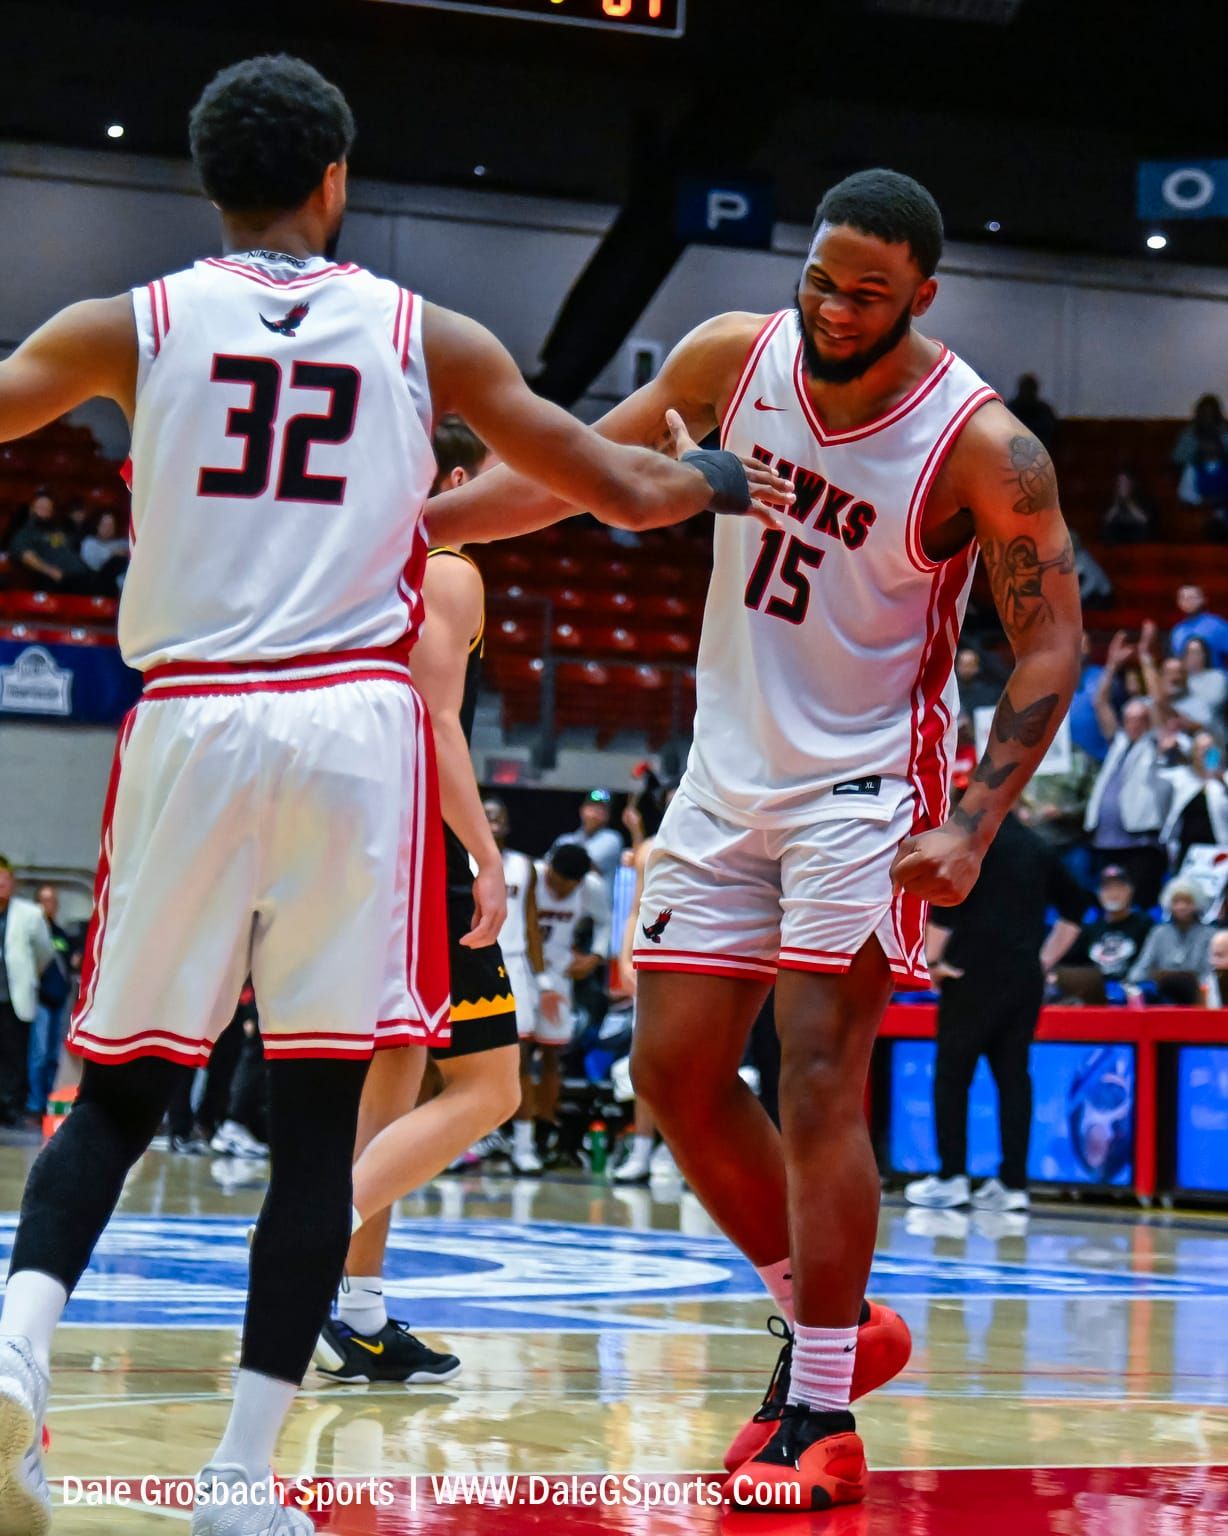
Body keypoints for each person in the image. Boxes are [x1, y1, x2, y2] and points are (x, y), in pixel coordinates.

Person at [0, 54, 783, 1536]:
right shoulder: (430, 336)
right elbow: (612, 491)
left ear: (205, 181)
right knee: (316, 1128)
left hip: (191, 719)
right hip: (356, 736)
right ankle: (241, 1482)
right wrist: (714, 484)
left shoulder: (133, 323)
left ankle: (16, 1355)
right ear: (336, 179)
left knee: (114, 1094)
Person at [430, 167, 1082, 1510]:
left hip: (864, 784)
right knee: (669, 1071)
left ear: (924, 297)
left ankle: (824, 1412)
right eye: (823, 280)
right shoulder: (737, 355)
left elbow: (1053, 643)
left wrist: (970, 822)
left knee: (821, 1074)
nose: (838, 309)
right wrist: (412, 526)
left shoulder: (983, 446)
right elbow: (580, 476)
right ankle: (838, 1325)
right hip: (725, 775)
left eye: (872, 293)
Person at [314, 415, 521, 1385]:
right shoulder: (447, 566)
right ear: (454, 478)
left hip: (357, 848)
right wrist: (485, 855)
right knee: (490, 1088)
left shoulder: (360, 563)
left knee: (391, 1087)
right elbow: (438, 724)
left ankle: (355, 1312)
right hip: (419, 857)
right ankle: (308, 1248)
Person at [904, 812, 1084, 1213]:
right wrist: (1043, 960)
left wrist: (932, 962)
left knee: (953, 1075)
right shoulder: (1039, 846)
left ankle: (952, 1177)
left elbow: (946, 909)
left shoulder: (971, 845)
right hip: (1023, 978)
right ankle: (1013, 1184)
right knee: (1013, 1077)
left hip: (971, 973)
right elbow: (1077, 905)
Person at [519, 844, 610, 1169]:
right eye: (556, 881)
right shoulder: (533, 877)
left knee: (553, 1055)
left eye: (566, 885)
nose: (558, 889)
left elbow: (604, 923)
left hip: (558, 976)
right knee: (521, 1055)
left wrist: (595, 957)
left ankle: (545, 1129)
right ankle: (520, 1134)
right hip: (523, 971)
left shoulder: (592, 888)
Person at [483, 795, 554, 1172]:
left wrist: (541, 979)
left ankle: (523, 1146)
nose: (493, 821)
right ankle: (466, 1144)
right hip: (472, 964)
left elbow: (531, 923)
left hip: (514, 965)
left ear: (508, 824)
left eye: (499, 817)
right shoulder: (462, 860)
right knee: (460, 1061)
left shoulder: (524, 866)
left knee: (522, 1059)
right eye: (486, 816)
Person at [1085, 631, 1169, 906]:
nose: (1133, 723)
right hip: (1106, 840)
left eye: (1140, 719)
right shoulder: (1119, 741)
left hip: (1139, 843)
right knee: (1107, 903)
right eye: (1129, 718)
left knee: (1140, 902)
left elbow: (1158, 702)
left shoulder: (1155, 743)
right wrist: (1111, 666)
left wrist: (1145, 659)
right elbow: (1100, 703)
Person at [0, 859, 57, 1128]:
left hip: (14, 997)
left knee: (15, 1055)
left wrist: (29, 975)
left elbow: (45, 952)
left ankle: (10, 1107)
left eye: (6, 879)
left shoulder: (29, 913)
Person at [1056, 865, 1153, 994]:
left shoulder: (1145, 926)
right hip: (1094, 994)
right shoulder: (1090, 928)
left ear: (1130, 891)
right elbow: (1068, 965)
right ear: (1099, 894)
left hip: (1133, 992)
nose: (1113, 894)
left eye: (1119, 888)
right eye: (1107, 889)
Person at [24, 885, 72, 1122]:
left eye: (52, 900)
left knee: (53, 1055)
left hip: (60, 999)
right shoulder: (32, 933)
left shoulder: (62, 934)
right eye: (43, 900)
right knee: (39, 1054)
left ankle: (49, 1102)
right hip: (40, 999)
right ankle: (35, 1103)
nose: (48, 905)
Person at [1127, 878, 1213, 997]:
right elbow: (1141, 968)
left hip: (1199, 995)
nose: (1182, 907)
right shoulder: (1158, 933)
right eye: (1176, 902)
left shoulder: (1209, 934)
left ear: (1197, 904)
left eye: (1187, 902)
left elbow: (1209, 973)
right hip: (1162, 995)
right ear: (1168, 904)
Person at [1160, 729, 1228, 872]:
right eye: (1200, 749)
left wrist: (1219, 778)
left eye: (1209, 748)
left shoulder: (1225, 780)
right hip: (1187, 852)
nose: (1204, 753)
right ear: (1193, 753)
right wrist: (1165, 753)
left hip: (1218, 853)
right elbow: (1158, 776)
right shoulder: (1183, 778)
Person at [7, 489, 98, 593]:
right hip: (59, 579)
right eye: (41, 507)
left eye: (47, 508)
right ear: (32, 509)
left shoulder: (58, 529)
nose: (44, 510)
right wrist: (50, 571)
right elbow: (28, 557)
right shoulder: (25, 534)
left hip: (81, 574)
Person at [549, 788, 625, 897]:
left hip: (596, 909)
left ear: (608, 816)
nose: (596, 812)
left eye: (602, 808)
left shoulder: (611, 838)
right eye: (592, 806)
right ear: (582, 810)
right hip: (565, 906)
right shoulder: (564, 840)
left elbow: (581, 862)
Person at [1171, 585, 1228, 670]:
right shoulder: (1177, 630)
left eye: (1192, 597)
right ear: (1179, 602)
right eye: (1183, 598)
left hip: (1216, 679)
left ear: (1203, 600)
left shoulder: (1217, 625)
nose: (1188, 601)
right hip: (1188, 680)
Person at [79, 509, 130, 594]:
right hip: (99, 583)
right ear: (98, 526)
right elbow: (93, 563)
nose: (108, 529)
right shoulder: (89, 543)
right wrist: (112, 553)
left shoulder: (122, 543)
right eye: (104, 525)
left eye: (111, 526)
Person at [1178, 635, 1227, 724]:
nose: (1192, 656)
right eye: (1188, 652)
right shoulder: (1179, 678)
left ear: (1205, 655)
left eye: (1196, 652)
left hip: (1208, 727)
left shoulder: (1217, 677)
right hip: (1179, 725)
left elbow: (1212, 703)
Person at [1006, 373, 1058, 451]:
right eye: (1026, 389)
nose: (1027, 392)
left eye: (1030, 389)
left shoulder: (1044, 410)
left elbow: (1049, 435)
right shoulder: (1010, 409)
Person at [1102, 470, 1153, 544]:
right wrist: (1116, 504)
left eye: (1125, 483)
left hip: (1135, 533)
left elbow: (1144, 520)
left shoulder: (1141, 498)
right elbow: (1106, 520)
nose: (1123, 486)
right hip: (1118, 533)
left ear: (1131, 484)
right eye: (1120, 483)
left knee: (1144, 531)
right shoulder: (1111, 499)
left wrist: (1129, 502)